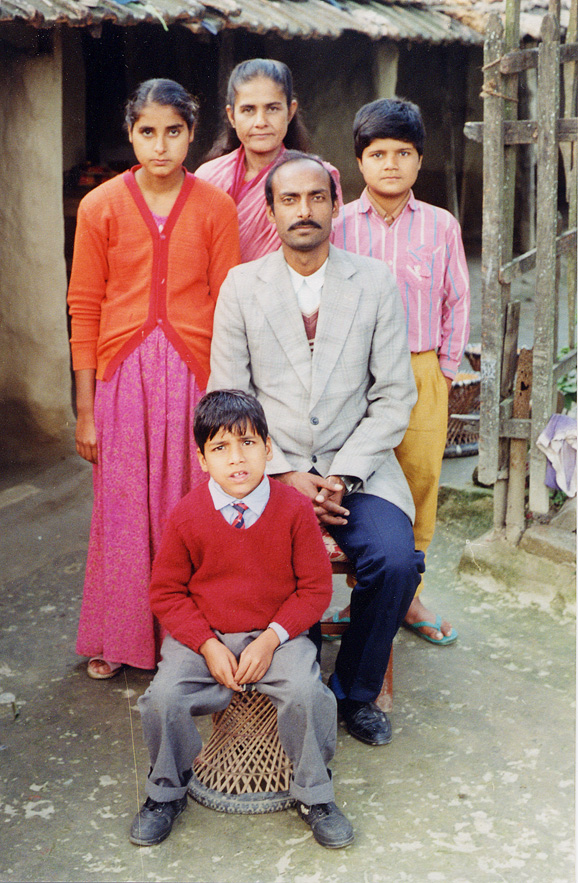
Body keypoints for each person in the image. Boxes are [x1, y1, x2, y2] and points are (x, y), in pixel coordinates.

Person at [208, 152, 425, 747]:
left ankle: (351, 693)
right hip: (270, 472)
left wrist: (344, 477)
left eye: (316, 198)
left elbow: (393, 397)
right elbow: (228, 399)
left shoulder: (373, 281)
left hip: (360, 468)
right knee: (264, 559)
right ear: (271, 209)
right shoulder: (242, 286)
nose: (304, 211)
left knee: (396, 560)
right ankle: (291, 682)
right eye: (289, 200)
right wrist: (280, 473)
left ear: (334, 204)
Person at [68, 79, 241, 679]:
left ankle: (188, 639)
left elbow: (228, 304)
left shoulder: (216, 208)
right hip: (123, 380)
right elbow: (84, 306)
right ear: (130, 133)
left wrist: (226, 396)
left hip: (195, 379)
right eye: (148, 132)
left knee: (188, 508)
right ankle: (118, 638)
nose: (160, 145)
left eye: (173, 131)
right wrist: (85, 410)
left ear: (193, 133)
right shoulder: (101, 207)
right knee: (121, 511)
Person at [130, 390, 354, 850]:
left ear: (269, 449)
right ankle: (165, 793)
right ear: (202, 459)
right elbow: (166, 592)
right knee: (162, 697)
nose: (237, 459)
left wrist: (271, 639)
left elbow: (314, 589)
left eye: (248, 443)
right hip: (203, 639)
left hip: (276, 637)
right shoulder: (187, 516)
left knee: (307, 693)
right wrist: (207, 644)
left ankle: (315, 794)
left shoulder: (293, 509)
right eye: (220, 448)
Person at [332, 98, 470, 646]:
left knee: (418, 480)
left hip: (419, 370)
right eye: (378, 152)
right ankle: (364, 592)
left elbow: (457, 299)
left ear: (418, 161)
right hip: (353, 374)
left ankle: (407, 595)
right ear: (359, 162)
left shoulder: (440, 226)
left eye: (403, 153)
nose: (390, 163)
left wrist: (445, 370)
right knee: (354, 481)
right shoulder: (339, 225)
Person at [195, 58, 342, 262]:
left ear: (290, 111)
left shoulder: (318, 177)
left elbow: (326, 254)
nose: (261, 122)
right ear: (231, 116)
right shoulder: (208, 177)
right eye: (248, 110)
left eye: (272, 108)